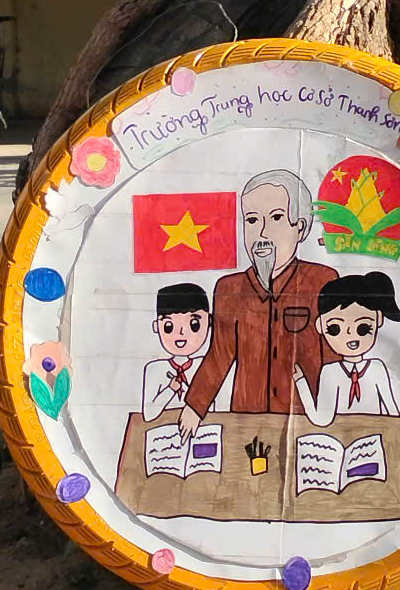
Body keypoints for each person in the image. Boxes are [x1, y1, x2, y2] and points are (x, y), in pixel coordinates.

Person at [178, 169, 337, 440]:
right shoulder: (229, 289)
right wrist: (195, 406)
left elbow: (335, 357)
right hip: (246, 422)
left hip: (309, 423)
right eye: (252, 220)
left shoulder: (322, 281)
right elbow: (219, 356)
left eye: (276, 218)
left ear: (299, 227)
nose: (261, 232)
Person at [293, 272, 400, 425]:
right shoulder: (330, 371)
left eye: (363, 328)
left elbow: (393, 413)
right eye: (334, 329)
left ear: (378, 319)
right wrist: (301, 383)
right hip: (340, 438)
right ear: (320, 326)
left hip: (376, 436)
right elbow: (322, 419)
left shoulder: (378, 369)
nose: (350, 335)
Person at [142, 282, 211, 421]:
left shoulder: (205, 365)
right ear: (156, 326)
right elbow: (148, 415)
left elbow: (214, 408)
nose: (181, 333)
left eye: (194, 325)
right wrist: (170, 390)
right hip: (162, 431)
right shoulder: (155, 369)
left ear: (209, 322)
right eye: (169, 327)